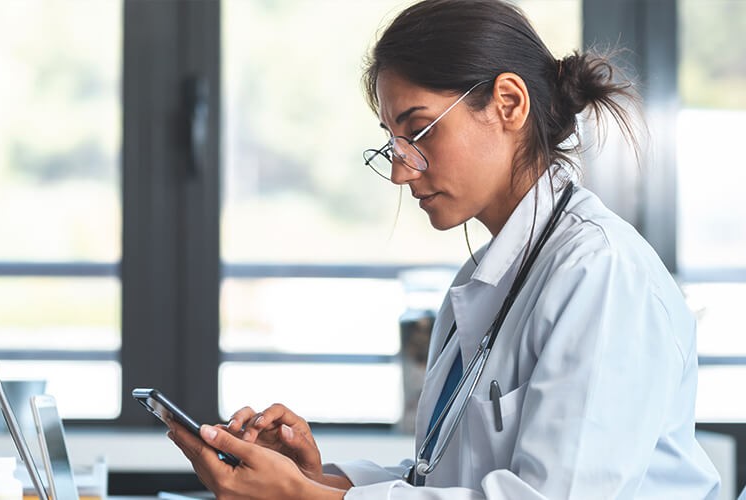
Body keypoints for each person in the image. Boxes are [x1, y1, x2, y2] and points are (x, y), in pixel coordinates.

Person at [166, 0, 722, 498]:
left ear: (508, 103)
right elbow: (442, 479)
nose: (399, 171)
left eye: (420, 130)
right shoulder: (486, 279)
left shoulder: (602, 274)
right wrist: (317, 479)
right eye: (392, 141)